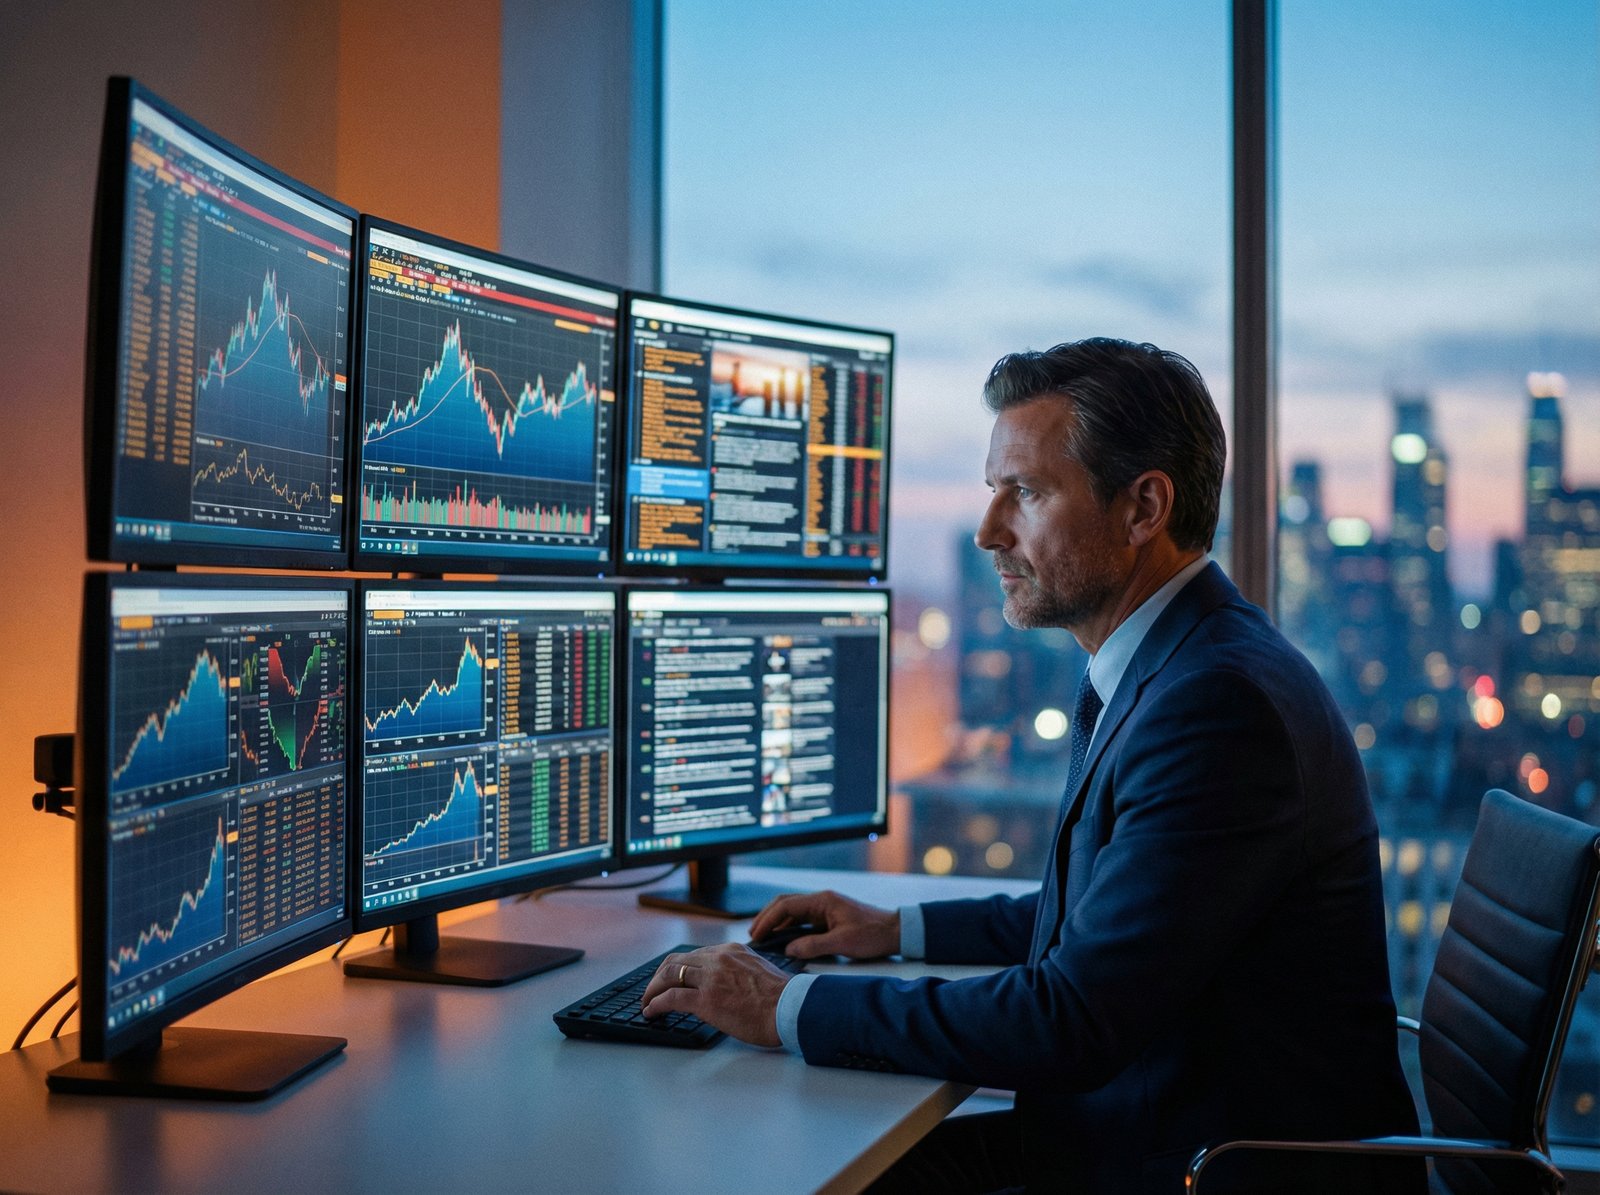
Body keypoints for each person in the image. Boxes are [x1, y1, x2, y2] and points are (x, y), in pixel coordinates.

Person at [640, 338, 1420, 1193]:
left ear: (1143, 507)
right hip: (1152, 1134)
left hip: (1197, 1168)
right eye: (992, 492)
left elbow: (1072, 1017)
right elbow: (1105, 918)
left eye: (1028, 493)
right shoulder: (1183, 661)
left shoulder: (1217, 705)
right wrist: (895, 930)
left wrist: (781, 1005)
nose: (988, 530)